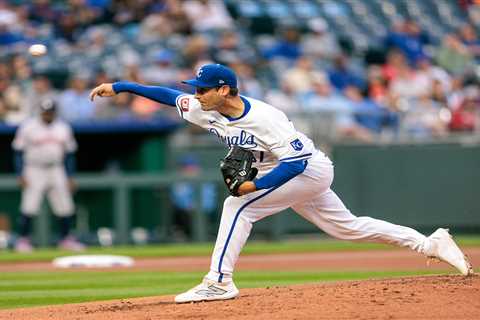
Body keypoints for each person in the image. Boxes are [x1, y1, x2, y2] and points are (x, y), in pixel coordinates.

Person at [90, 63, 473, 303]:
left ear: (224, 89)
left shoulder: (266, 118)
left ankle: (219, 281)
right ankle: (428, 242)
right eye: (196, 88)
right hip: (294, 173)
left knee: (236, 205)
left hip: (307, 169)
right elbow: (168, 95)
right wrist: (122, 86)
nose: (196, 93)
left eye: (202, 88)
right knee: (348, 227)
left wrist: (254, 187)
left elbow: (295, 163)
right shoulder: (205, 108)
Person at [12, 99, 84, 252]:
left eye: (50, 112)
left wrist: (70, 176)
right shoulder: (29, 126)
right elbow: (18, 152)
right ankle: (23, 240)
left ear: (54, 112)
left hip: (56, 168)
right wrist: (20, 174)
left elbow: (70, 154)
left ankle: (65, 239)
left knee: (65, 206)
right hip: (33, 168)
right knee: (29, 205)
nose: (47, 115)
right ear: (40, 111)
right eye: (45, 112)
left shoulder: (63, 127)